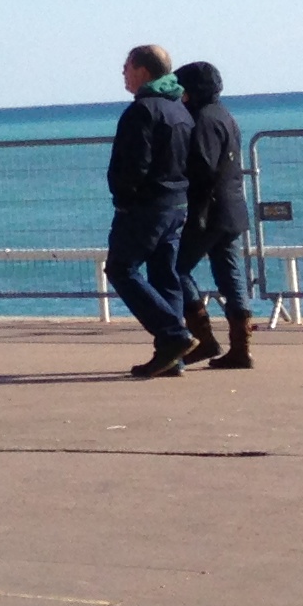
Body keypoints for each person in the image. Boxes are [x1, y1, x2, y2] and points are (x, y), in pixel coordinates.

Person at [106, 45, 196, 378]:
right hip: (176, 203)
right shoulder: (179, 109)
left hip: (146, 206)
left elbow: (133, 165)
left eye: (127, 66)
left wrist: (124, 198)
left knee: (121, 269)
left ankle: (173, 335)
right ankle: (172, 357)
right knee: (164, 276)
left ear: (143, 71)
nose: (123, 73)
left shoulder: (142, 111)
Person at [178, 59, 254, 371]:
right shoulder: (225, 115)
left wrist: (184, 193)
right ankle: (241, 347)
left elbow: (203, 168)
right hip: (232, 206)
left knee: (175, 269)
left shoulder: (202, 119)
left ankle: (204, 338)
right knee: (230, 274)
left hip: (209, 209)